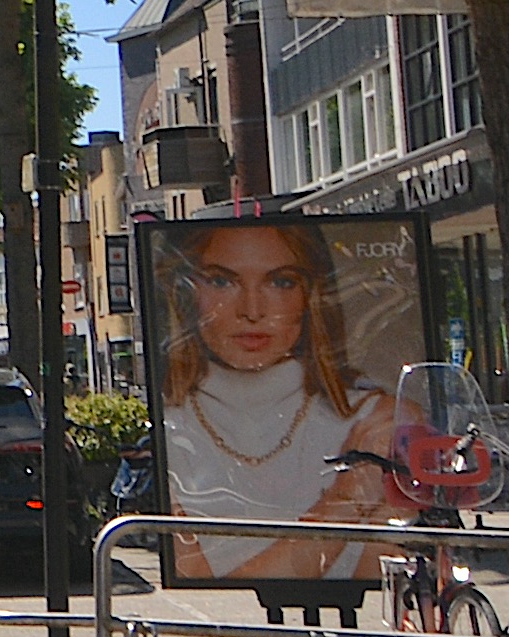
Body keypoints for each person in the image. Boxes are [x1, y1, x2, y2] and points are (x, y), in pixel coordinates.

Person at [159, 220, 408, 582]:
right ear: (184, 294)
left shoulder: (377, 420)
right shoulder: (170, 427)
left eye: (281, 282)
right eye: (221, 281)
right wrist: (346, 499)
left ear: (312, 294)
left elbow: (389, 580)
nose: (253, 309)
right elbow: (206, 591)